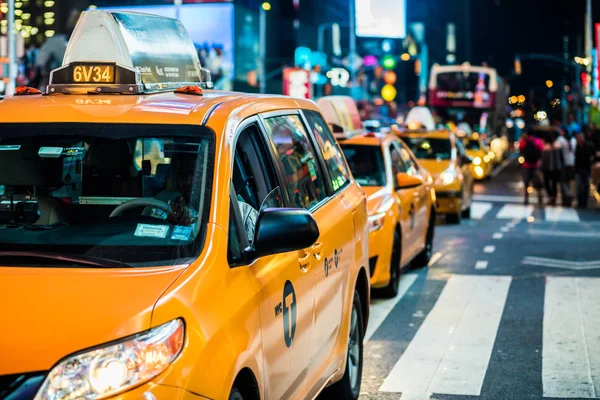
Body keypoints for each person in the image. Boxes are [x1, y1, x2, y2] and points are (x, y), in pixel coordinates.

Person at [519, 129, 544, 206]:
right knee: (537, 183)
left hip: (526, 165)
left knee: (526, 183)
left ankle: (526, 199)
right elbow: (541, 150)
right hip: (535, 165)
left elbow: (520, 149)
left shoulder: (524, 140)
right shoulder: (538, 141)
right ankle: (540, 199)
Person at [540, 131, 564, 206]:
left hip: (547, 168)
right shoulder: (557, 145)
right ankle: (553, 197)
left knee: (547, 183)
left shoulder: (546, 147)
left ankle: (551, 197)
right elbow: (561, 157)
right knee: (554, 183)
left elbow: (543, 159)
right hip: (556, 167)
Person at [574, 132, 596, 208]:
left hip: (586, 169)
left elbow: (593, 155)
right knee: (579, 186)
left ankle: (585, 203)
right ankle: (580, 203)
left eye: (579, 138)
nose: (578, 139)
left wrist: (592, 160)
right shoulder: (577, 146)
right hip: (578, 169)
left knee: (586, 186)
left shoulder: (588, 145)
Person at [556, 128, 575, 206]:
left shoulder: (561, 139)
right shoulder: (573, 140)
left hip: (564, 163)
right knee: (568, 181)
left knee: (563, 181)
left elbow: (556, 146)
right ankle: (568, 197)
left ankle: (567, 197)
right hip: (572, 162)